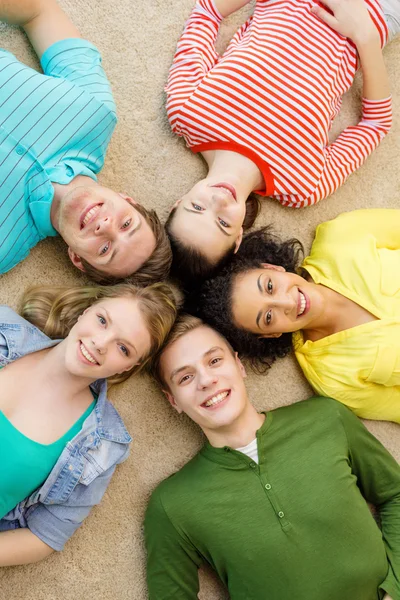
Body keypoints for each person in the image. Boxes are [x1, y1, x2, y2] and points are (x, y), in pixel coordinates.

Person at [145, 315, 399, 600]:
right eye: (186, 377)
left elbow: (395, 493)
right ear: (173, 400)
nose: (207, 380)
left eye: (214, 361)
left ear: (239, 364)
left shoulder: (326, 417)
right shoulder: (171, 504)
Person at [164, 0, 398, 286]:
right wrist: (366, 37)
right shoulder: (302, 186)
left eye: (197, 208)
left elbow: (207, 13)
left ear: (179, 202)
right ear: (238, 237)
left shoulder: (187, 113)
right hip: (376, 15)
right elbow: (376, 123)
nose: (219, 201)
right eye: (223, 223)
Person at [0, 281, 177, 565]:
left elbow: (45, 536)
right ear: (86, 311)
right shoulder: (4, 330)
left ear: (129, 367)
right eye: (102, 320)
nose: (100, 343)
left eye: (123, 348)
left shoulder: (100, 446)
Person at [0, 0, 171, 284]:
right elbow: (39, 12)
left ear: (77, 259)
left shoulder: (3, 248)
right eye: (126, 223)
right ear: (128, 200)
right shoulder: (96, 112)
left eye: (105, 249)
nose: (105, 226)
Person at [196, 208, 400, 423]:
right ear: (272, 334)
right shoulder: (332, 378)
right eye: (268, 317)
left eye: (270, 286)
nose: (287, 302)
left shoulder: (342, 236)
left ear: (273, 268)